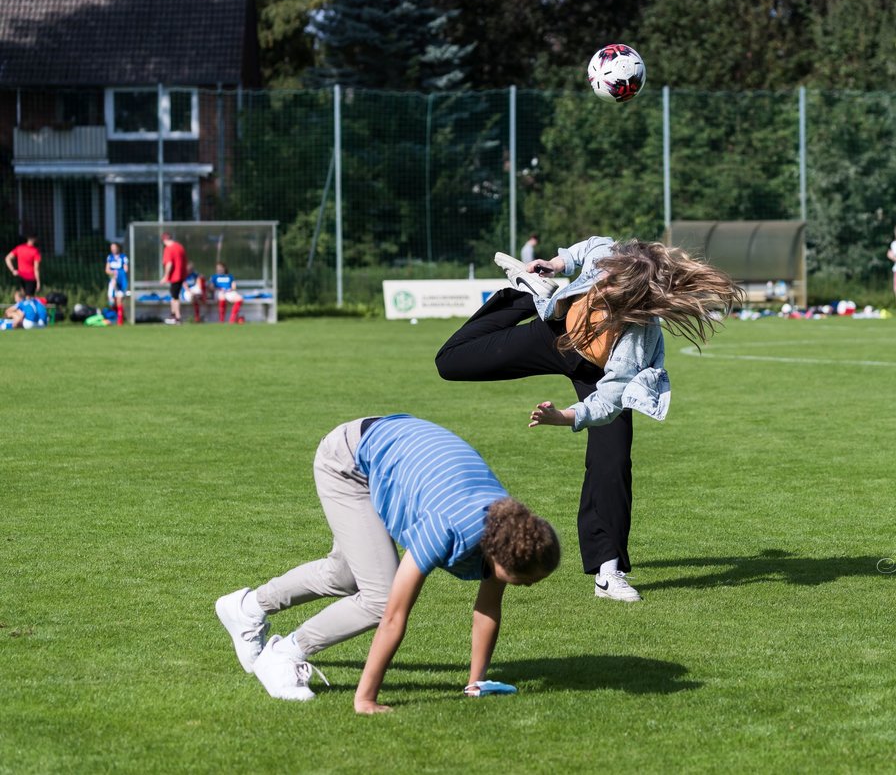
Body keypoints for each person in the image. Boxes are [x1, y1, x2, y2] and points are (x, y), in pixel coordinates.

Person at [435, 237, 741, 603]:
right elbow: (591, 246)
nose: (605, 288)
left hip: (598, 372)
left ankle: (608, 572)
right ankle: (524, 294)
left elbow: (610, 401)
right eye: (606, 281)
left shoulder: (637, 335)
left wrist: (564, 417)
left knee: (611, 461)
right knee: (450, 362)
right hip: (557, 334)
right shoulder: (606, 259)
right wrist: (557, 263)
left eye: (615, 291)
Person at [215, 414, 560, 709]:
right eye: (526, 578)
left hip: (392, 453)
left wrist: (476, 682)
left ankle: (246, 607)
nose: (530, 584)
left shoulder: (507, 524)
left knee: (346, 574)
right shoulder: (448, 528)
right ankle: (284, 654)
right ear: (498, 554)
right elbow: (393, 614)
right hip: (348, 461)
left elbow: (487, 610)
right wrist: (365, 699)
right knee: (379, 595)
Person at [160, 232, 188, 325]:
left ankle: (178, 317)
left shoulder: (169, 249)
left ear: (164, 240)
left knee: (175, 297)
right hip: (181, 275)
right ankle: (172, 315)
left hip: (175, 276)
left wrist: (166, 276)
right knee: (173, 295)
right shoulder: (180, 246)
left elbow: (169, 264)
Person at [105, 242, 129, 326]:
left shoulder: (123, 257)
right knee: (112, 300)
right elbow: (107, 270)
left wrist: (118, 274)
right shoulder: (110, 257)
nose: (113, 249)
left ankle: (120, 320)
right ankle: (113, 318)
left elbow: (126, 269)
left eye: (114, 247)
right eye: (112, 247)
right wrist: (113, 274)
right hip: (112, 281)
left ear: (118, 248)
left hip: (120, 281)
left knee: (119, 299)